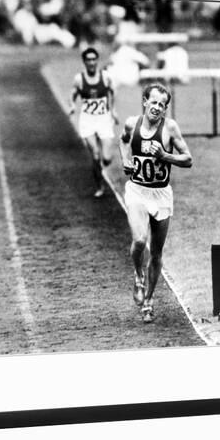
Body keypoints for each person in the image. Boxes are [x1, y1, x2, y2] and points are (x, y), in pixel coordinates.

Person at [119, 83, 192, 323]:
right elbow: (123, 139)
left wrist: (164, 156)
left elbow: (188, 159)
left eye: (162, 105)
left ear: (165, 109)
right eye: (154, 102)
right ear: (144, 101)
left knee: (157, 252)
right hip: (138, 191)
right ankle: (138, 274)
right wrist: (125, 160)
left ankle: (149, 301)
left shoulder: (170, 128)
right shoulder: (133, 123)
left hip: (161, 194)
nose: (157, 107)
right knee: (140, 240)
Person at [69, 47, 118, 198]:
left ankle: (101, 166)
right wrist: (72, 106)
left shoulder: (106, 77)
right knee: (95, 155)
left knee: (107, 158)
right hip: (87, 120)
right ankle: (100, 186)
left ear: (97, 60)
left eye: (93, 59)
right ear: (84, 62)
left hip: (103, 119)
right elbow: (73, 94)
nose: (91, 62)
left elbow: (112, 92)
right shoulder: (79, 79)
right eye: (88, 59)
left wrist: (113, 110)